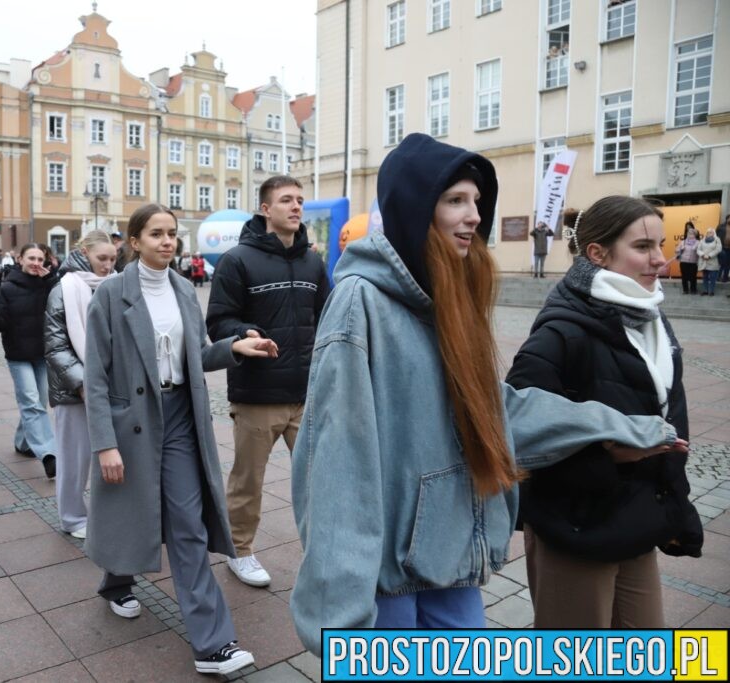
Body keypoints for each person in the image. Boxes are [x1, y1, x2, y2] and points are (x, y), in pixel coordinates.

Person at [288, 133, 685, 650]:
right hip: (386, 575)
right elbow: (339, 456)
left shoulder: (453, 297)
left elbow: (499, 411)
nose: (474, 215)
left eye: (477, 201)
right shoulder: (361, 301)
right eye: (455, 200)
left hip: (451, 558)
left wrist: (619, 427)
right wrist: (337, 609)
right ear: (415, 208)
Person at [84, 203, 277, 675]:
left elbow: (194, 359)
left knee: (186, 525)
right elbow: (94, 377)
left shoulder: (184, 290)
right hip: (133, 421)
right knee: (136, 510)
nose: (167, 241)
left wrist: (234, 348)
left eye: (172, 234)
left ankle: (214, 644)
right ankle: (116, 581)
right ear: (134, 241)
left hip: (180, 420)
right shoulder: (111, 294)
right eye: (156, 234)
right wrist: (104, 443)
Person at [506, 197, 703, 627]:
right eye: (643, 247)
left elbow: (671, 417)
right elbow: (516, 426)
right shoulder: (563, 329)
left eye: (662, 244)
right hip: (575, 527)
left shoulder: (651, 317)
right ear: (597, 253)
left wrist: (674, 511)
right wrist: (608, 454)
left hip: (636, 522)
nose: (659, 259)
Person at [206, 174, 330, 587]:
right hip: (258, 393)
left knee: (320, 479)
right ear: (266, 209)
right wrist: (244, 335)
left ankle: (324, 550)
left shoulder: (313, 261)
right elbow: (219, 320)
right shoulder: (237, 260)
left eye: (299, 200)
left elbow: (326, 316)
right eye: (286, 200)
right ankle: (239, 550)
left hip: (307, 393)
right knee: (248, 481)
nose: (296, 207)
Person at [44, 230, 117, 539]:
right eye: (102, 258)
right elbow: (56, 347)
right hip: (74, 390)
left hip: (114, 384)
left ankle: (109, 513)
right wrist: (84, 384)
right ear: (84, 253)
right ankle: (72, 517)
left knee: (113, 455)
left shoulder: (117, 285)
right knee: (74, 457)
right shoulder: (64, 289)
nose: (108, 265)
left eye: (113, 258)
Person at [0, 243, 59, 479]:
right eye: (31, 258)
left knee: (39, 402)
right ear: (20, 259)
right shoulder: (7, 287)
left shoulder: (49, 285)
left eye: (40, 259)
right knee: (30, 401)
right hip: (18, 355)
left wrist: (52, 281)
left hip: (42, 354)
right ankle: (48, 453)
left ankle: (22, 442)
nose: (36, 263)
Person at [675, 222, 699, 294]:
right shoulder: (683, 242)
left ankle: (693, 290)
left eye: (692, 234)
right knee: (684, 277)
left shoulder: (698, 242)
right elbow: (676, 250)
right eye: (689, 233)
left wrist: (696, 249)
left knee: (693, 277)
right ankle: (685, 290)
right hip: (683, 261)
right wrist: (680, 249)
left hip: (693, 262)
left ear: (695, 235)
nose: (690, 235)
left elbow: (700, 252)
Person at [697, 228, 721, 296]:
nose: (709, 233)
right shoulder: (702, 240)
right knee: (705, 277)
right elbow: (698, 249)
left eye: (711, 232)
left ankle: (711, 291)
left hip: (713, 262)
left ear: (714, 233)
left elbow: (718, 249)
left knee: (713, 278)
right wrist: (702, 255)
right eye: (708, 232)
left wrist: (710, 256)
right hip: (704, 261)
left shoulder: (717, 240)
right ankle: (705, 291)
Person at [717, 214, 729, 284]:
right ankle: (718, 277)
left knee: (728, 264)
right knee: (722, 263)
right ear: (727, 219)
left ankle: (725, 277)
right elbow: (716, 235)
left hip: (729, 248)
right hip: (722, 247)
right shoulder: (721, 226)